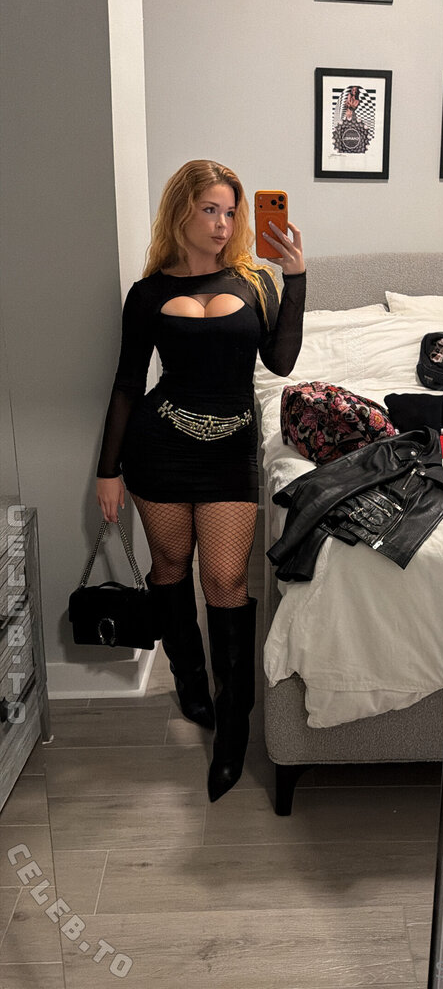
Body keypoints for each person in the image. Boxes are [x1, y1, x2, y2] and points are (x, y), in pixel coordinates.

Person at [95, 160, 306, 801]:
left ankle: (234, 728)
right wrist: (108, 470)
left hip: (231, 451)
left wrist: (295, 277)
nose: (223, 223)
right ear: (181, 211)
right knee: (168, 566)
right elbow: (128, 383)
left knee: (225, 579)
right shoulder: (148, 293)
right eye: (210, 209)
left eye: (231, 211)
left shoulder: (256, 282)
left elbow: (281, 361)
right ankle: (190, 682)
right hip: (157, 448)